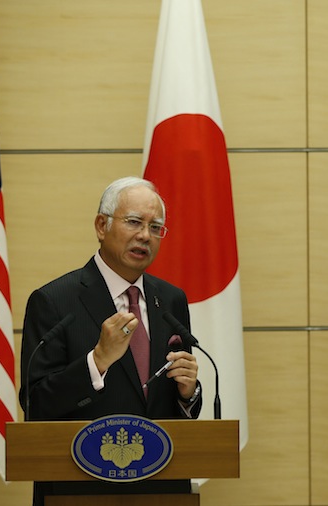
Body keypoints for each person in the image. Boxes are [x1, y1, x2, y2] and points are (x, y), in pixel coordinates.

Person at [19, 176, 202, 504]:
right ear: (101, 225)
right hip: (79, 489)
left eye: (155, 226)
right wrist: (98, 360)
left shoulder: (171, 300)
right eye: (134, 222)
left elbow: (171, 409)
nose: (145, 235)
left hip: (161, 490)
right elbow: (35, 405)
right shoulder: (55, 301)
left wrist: (188, 395)